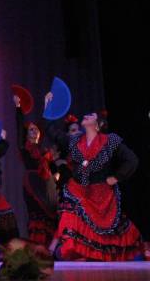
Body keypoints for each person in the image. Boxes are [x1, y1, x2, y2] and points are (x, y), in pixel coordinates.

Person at [46, 110, 143, 261]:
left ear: (98, 125)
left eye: (91, 115)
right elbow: (54, 134)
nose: (86, 115)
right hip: (79, 191)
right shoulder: (76, 141)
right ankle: (70, 251)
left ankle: (96, 258)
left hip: (102, 195)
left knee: (108, 232)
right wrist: (49, 109)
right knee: (69, 214)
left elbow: (132, 160)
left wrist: (117, 177)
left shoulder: (110, 141)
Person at [14, 96, 57, 246]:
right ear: (27, 134)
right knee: (37, 214)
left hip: (47, 184)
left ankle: (50, 247)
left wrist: (46, 104)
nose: (33, 131)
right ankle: (38, 247)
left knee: (50, 215)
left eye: (35, 129)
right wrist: (18, 107)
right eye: (30, 130)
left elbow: (44, 123)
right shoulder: (25, 148)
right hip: (33, 184)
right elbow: (19, 128)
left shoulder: (43, 150)